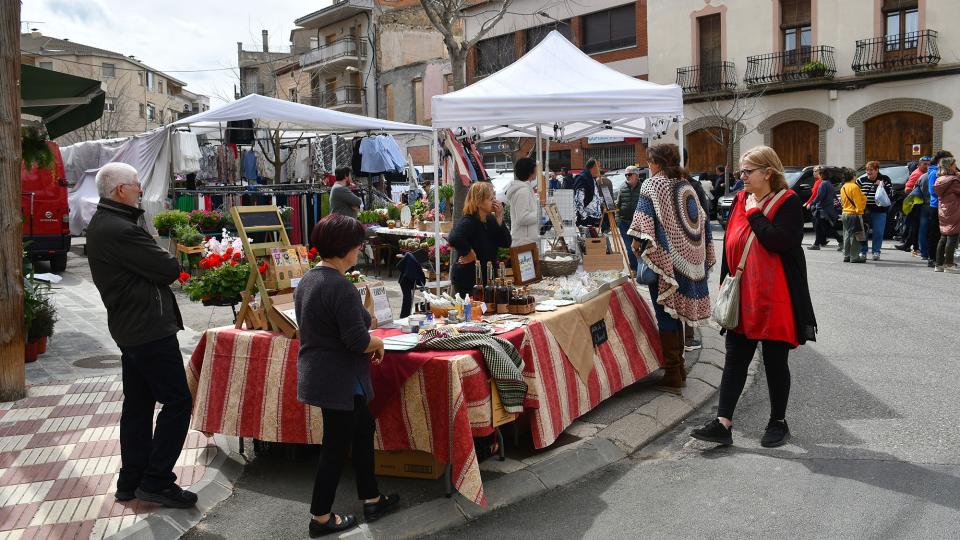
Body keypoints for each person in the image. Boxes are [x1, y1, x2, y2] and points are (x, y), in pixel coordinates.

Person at [85, 163, 196, 508]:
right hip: (147, 329)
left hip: (130, 328)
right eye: (136, 185)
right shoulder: (120, 229)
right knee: (178, 403)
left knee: (138, 405)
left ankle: (131, 480)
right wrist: (167, 255)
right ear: (121, 190)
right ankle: (157, 480)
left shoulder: (107, 223)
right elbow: (168, 268)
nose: (141, 191)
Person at [691, 146, 816, 448]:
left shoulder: (788, 202)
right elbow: (731, 243)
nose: (741, 177)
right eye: (741, 172)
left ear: (768, 173)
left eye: (747, 172)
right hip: (742, 296)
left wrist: (754, 212)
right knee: (735, 359)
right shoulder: (739, 199)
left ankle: (778, 422)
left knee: (775, 361)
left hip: (777, 299)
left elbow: (779, 241)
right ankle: (723, 424)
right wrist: (724, 283)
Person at [297, 214, 399, 537]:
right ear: (344, 248)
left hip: (327, 375)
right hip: (339, 377)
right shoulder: (339, 285)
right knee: (335, 446)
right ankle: (321, 517)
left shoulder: (310, 279)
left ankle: (371, 497)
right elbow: (357, 339)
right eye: (357, 244)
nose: (360, 249)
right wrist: (378, 341)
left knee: (362, 427)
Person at [627, 144, 715, 395]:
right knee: (676, 314)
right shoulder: (686, 184)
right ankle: (679, 369)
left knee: (665, 313)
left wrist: (638, 248)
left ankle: (673, 372)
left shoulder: (653, 185)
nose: (648, 166)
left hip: (664, 261)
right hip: (688, 260)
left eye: (650, 161)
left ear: (659, 162)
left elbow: (642, 225)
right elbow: (700, 221)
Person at [447, 182, 512, 297]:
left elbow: (506, 242)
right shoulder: (468, 220)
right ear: (478, 201)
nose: (494, 201)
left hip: (487, 277)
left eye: (494, 198)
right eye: (490, 198)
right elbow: (454, 238)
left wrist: (500, 218)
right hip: (468, 280)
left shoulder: (490, 219)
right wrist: (470, 253)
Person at [856, 161, 894, 261]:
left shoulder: (884, 179)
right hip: (864, 211)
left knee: (878, 232)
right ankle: (863, 251)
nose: (868, 172)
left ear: (877, 170)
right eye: (867, 170)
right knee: (863, 232)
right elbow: (854, 193)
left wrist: (881, 186)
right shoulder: (861, 181)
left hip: (880, 211)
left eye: (871, 170)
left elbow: (890, 193)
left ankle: (876, 252)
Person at [924, 150, 954, 267]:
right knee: (935, 233)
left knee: (942, 233)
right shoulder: (934, 172)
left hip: (943, 205)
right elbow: (933, 191)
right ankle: (932, 257)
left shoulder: (942, 172)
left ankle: (940, 257)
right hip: (936, 206)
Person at [896, 157, 930, 255]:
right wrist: (918, 194)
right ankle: (915, 247)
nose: (927, 166)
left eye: (928, 164)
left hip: (920, 204)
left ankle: (910, 246)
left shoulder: (923, 173)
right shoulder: (917, 174)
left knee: (916, 226)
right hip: (916, 205)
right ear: (919, 165)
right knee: (916, 226)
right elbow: (907, 189)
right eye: (925, 164)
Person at [933, 157, 960, 272]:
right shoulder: (953, 180)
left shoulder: (940, 179)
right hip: (954, 209)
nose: (956, 166)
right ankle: (949, 264)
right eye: (954, 164)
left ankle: (939, 264)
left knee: (944, 236)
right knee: (952, 236)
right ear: (949, 166)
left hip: (943, 210)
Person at [505, 157, 540, 247]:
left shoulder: (525, 189)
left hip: (526, 240)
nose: (537, 172)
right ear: (530, 172)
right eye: (535, 169)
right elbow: (522, 218)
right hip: (523, 242)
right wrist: (540, 214)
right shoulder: (523, 191)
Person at [806, 166, 842, 250]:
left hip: (822, 210)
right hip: (825, 209)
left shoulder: (823, 184)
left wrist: (812, 203)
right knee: (818, 227)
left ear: (821, 174)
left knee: (827, 228)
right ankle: (816, 244)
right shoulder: (829, 183)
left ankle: (841, 241)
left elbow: (820, 197)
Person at [616, 165, 643, 272]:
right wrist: (618, 221)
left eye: (629, 174)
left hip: (638, 224)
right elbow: (618, 204)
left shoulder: (643, 187)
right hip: (624, 223)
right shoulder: (622, 187)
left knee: (638, 247)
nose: (627, 176)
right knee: (629, 248)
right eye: (626, 174)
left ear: (636, 175)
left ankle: (641, 269)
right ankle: (634, 269)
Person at [840, 168, 867, 263]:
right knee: (855, 236)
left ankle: (846, 255)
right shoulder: (854, 187)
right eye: (855, 175)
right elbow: (858, 203)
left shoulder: (843, 187)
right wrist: (861, 212)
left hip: (845, 213)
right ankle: (854, 257)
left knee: (846, 235)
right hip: (854, 214)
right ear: (852, 176)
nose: (856, 177)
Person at [573, 159, 604, 227]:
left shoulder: (592, 178)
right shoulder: (582, 178)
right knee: (588, 237)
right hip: (587, 219)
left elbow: (594, 196)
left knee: (595, 237)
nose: (600, 169)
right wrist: (584, 216)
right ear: (594, 167)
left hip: (593, 218)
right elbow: (578, 200)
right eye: (599, 166)